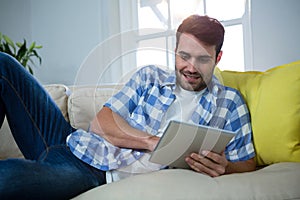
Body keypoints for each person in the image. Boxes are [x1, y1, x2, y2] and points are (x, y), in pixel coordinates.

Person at [0, 15, 255, 199]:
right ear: (175, 51)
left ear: (218, 58)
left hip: (93, 172)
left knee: (7, 179)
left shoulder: (229, 103)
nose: (190, 67)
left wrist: (227, 167)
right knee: (3, 64)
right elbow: (99, 124)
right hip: (71, 142)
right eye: (184, 56)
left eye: (202, 59)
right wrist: (152, 141)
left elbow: (248, 162)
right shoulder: (150, 77)